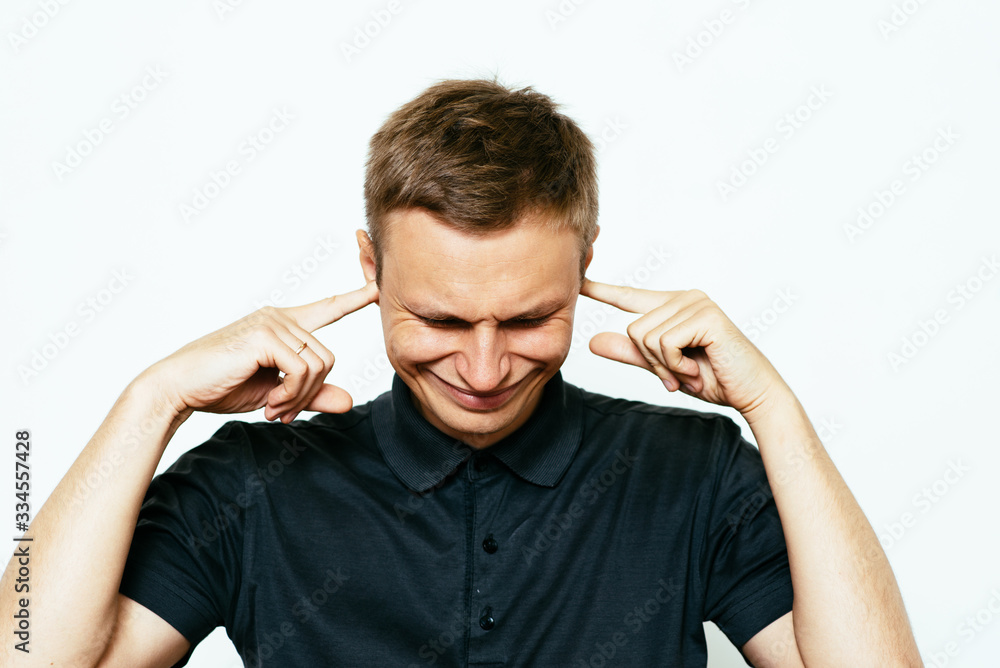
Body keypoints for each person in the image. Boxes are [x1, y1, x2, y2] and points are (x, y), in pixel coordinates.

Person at [0, 78, 922, 667]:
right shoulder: (249, 484)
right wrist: (151, 401)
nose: (484, 369)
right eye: (440, 320)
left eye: (528, 320)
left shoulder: (696, 473)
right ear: (371, 268)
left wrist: (774, 409)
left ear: (586, 261)